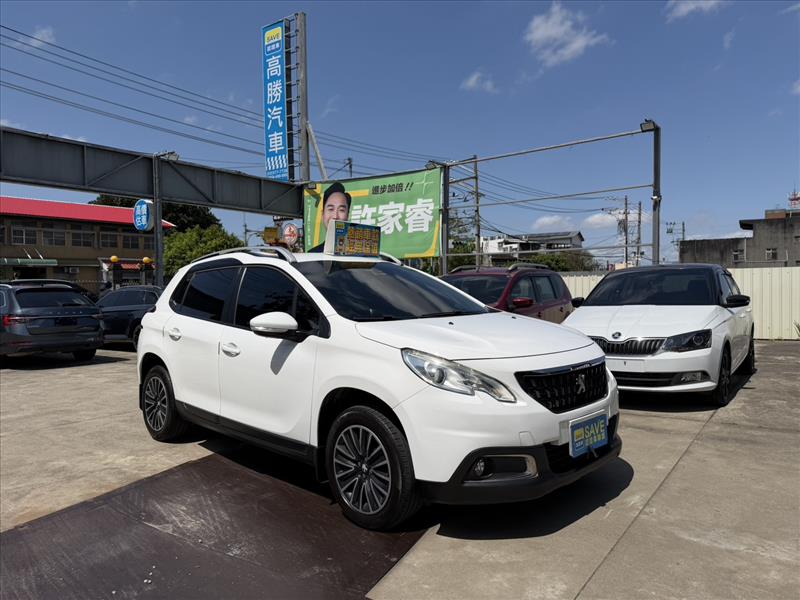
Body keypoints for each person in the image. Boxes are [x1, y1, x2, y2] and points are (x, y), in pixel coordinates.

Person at [309, 181, 351, 252]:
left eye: (341, 210)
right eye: (331, 209)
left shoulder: (359, 254)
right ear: (323, 215)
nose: (335, 216)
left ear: (347, 216)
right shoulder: (312, 255)